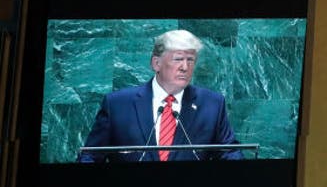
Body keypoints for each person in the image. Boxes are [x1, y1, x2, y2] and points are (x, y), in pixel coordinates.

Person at [79, 29, 242, 162]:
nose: (185, 67)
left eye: (190, 60)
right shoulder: (117, 104)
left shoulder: (212, 104)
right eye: (178, 59)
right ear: (156, 63)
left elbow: (229, 152)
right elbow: (90, 155)